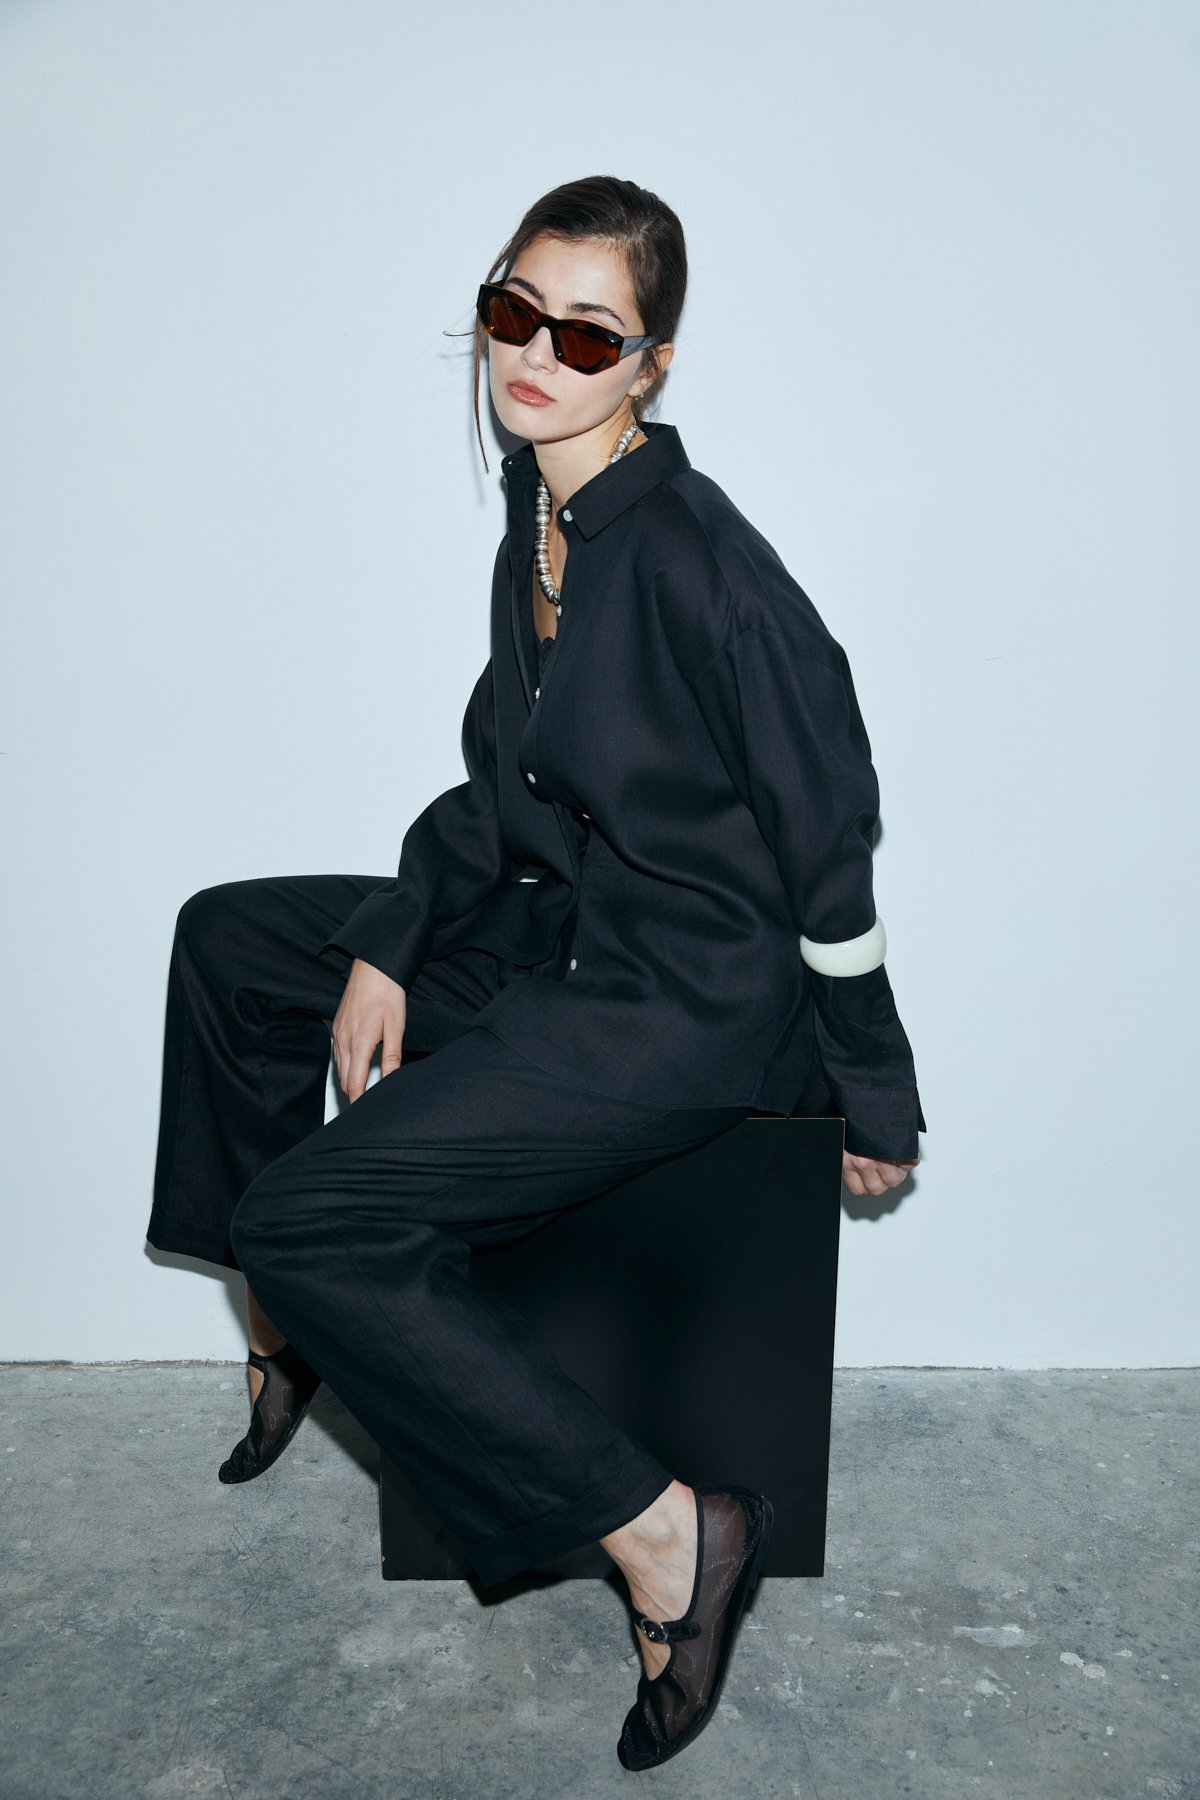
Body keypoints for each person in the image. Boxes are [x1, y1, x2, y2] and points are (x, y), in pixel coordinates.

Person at [146, 173, 925, 1772]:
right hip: (559, 928)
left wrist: (873, 1087)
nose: (534, 356)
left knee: (314, 1214)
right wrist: (393, 935)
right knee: (230, 936)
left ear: (651, 365)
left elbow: (833, 842)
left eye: (586, 334)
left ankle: (668, 1534)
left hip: (677, 1004)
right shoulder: (546, 515)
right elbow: (503, 779)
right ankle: (291, 1335)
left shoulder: (710, 571)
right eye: (514, 311)